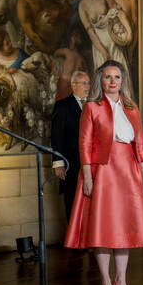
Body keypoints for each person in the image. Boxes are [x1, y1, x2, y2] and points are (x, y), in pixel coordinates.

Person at [63, 60, 143, 285]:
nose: (113, 81)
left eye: (117, 77)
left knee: (124, 227)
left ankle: (121, 280)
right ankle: (106, 282)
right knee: (103, 227)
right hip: (104, 171)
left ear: (122, 81)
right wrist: (88, 176)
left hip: (128, 171)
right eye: (108, 77)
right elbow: (84, 144)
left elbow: (140, 144)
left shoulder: (131, 107)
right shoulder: (92, 107)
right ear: (101, 80)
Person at [51, 71, 91, 220]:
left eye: (88, 83)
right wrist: (58, 163)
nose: (87, 87)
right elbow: (57, 136)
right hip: (71, 164)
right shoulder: (63, 106)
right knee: (73, 203)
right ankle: (72, 235)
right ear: (73, 85)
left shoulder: (93, 105)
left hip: (91, 164)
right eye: (84, 83)